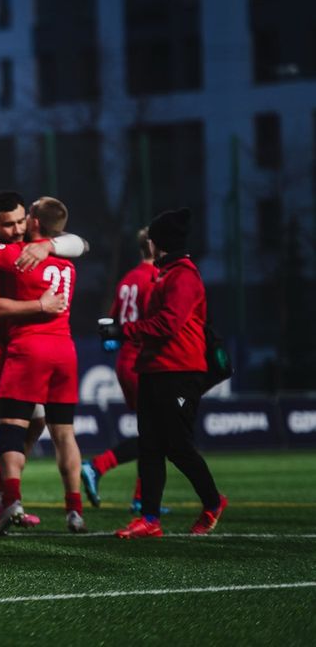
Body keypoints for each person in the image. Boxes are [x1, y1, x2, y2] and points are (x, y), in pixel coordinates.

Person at [0, 196, 87, 534]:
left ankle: (4, 497)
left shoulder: (32, 252)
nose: (16, 229)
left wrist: (47, 246)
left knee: (31, 424)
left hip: (25, 350)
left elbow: (80, 243)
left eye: (21, 221)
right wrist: (40, 305)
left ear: (31, 221)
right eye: (8, 224)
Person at [104, 208, 227, 539]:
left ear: (158, 244)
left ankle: (213, 503)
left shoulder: (183, 276)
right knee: (151, 447)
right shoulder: (166, 274)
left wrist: (126, 331)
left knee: (178, 446)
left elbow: (169, 323)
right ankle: (150, 519)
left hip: (180, 372)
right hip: (154, 368)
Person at [81, 228, 160, 512]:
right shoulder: (155, 279)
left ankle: (142, 497)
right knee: (157, 434)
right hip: (144, 361)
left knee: (152, 432)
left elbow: (112, 322)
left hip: (126, 360)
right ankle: (98, 466)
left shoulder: (128, 279)